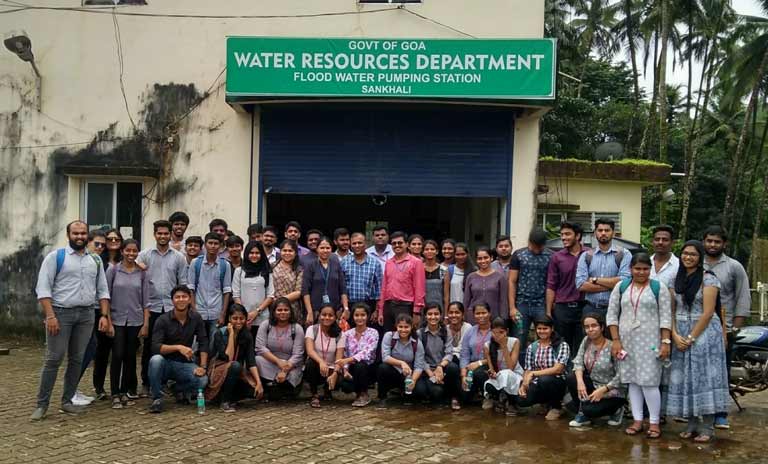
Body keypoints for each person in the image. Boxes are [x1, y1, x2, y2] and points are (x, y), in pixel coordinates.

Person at [31, 220, 111, 421]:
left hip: (86, 315)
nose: (80, 237)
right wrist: (50, 316)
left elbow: (102, 290)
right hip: (60, 314)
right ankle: (42, 405)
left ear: (87, 236)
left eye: (83, 233)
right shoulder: (55, 257)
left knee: (77, 359)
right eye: (75, 233)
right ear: (68, 235)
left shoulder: (95, 260)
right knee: (53, 359)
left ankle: (67, 401)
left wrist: (104, 316)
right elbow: (43, 289)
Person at [667, 240, 729, 442]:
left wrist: (692, 337)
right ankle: (691, 423)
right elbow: (671, 311)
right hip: (680, 332)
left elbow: (709, 312)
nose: (688, 257)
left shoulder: (708, 279)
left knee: (704, 378)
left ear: (700, 257)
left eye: (693, 254)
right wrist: (675, 335)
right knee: (686, 379)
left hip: (704, 334)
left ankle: (708, 427)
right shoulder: (675, 279)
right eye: (685, 253)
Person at [607, 253, 672, 439]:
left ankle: (653, 422)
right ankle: (637, 420)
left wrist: (665, 342)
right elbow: (612, 315)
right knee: (633, 382)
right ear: (631, 269)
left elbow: (666, 317)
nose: (641, 272)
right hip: (627, 342)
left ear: (650, 269)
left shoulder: (659, 288)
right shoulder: (621, 286)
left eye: (645, 269)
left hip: (651, 343)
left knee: (650, 382)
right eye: (637, 268)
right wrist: (616, 340)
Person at [702, 225, 751, 430]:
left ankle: (721, 414)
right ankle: (699, 411)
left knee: (721, 371)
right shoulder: (696, 263)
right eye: (709, 241)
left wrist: (735, 328)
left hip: (724, 328)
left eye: (717, 241)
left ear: (724, 244)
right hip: (698, 327)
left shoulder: (734, 266)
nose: (712, 245)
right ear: (704, 241)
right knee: (699, 371)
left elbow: (742, 297)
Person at [136, 220, 188, 397]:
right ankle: (147, 382)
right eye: (160, 233)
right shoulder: (144, 255)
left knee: (170, 346)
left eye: (166, 233)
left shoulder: (178, 257)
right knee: (150, 346)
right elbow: (133, 272)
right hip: (151, 307)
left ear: (170, 234)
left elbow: (183, 283)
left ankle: (165, 382)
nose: (163, 236)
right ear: (155, 234)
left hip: (172, 308)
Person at [147, 285, 208, 413]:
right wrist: (178, 347)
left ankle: (176, 388)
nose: (181, 300)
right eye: (177, 297)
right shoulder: (162, 320)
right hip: (165, 363)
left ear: (190, 299)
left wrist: (203, 366)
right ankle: (157, 398)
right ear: (172, 300)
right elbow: (155, 347)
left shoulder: (196, 318)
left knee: (203, 381)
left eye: (184, 297)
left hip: (185, 364)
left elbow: (203, 342)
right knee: (155, 360)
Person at [106, 238, 150, 409]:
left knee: (130, 357)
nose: (131, 254)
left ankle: (124, 391)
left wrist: (146, 324)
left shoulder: (142, 273)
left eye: (134, 251)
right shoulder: (113, 271)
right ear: (122, 251)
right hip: (116, 320)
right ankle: (115, 393)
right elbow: (106, 297)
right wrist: (108, 320)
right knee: (117, 355)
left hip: (136, 320)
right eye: (128, 250)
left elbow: (146, 301)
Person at [567, 313, 625, 428]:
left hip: (612, 390)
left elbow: (621, 375)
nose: (590, 329)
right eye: (587, 327)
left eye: (594, 326)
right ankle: (584, 413)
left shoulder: (613, 347)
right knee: (571, 380)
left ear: (602, 327)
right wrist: (580, 382)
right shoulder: (586, 341)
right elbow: (578, 361)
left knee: (589, 409)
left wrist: (604, 389)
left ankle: (617, 410)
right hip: (593, 385)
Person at [73, 229, 109, 405]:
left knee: (90, 348)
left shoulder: (96, 260)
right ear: (87, 242)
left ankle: (72, 388)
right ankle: (70, 391)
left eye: (103, 245)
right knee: (82, 350)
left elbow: (102, 289)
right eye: (97, 244)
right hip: (78, 311)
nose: (101, 247)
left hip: (94, 310)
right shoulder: (76, 259)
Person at [207, 304, 264, 412]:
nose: (238, 321)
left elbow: (251, 361)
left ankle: (228, 397)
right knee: (235, 365)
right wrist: (232, 334)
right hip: (220, 371)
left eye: (241, 318)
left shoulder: (247, 335)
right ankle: (225, 401)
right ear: (229, 318)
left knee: (254, 391)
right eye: (235, 318)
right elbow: (228, 357)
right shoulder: (220, 333)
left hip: (236, 374)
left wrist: (258, 382)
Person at [547, 221, 588, 359]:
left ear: (577, 236)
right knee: (563, 346)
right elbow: (551, 285)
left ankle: (581, 377)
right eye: (562, 234)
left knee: (583, 345)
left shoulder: (590, 254)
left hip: (585, 307)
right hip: (562, 308)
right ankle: (564, 377)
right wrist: (548, 311)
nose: (563, 238)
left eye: (567, 234)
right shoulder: (557, 257)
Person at [576, 218, 631, 319]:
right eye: (600, 230)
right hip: (590, 308)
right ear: (595, 233)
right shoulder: (586, 256)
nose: (603, 233)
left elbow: (625, 282)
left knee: (614, 335)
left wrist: (595, 280)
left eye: (607, 230)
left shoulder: (624, 254)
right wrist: (612, 285)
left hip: (616, 309)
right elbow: (580, 285)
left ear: (613, 233)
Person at [517, 316, 569, 420]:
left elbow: (558, 369)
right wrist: (524, 384)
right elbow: (528, 369)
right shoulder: (532, 347)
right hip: (539, 382)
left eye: (545, 328)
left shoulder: (562, 345)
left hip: (558, 382)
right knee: (521, 400)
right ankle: (545, 403)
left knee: (545, 380)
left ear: (552, 329)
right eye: (539, 329)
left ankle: (557, 407)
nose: (542, 331)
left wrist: (534, 373)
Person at [508, 229, 552, 353]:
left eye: (540, 246)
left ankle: (541, 369)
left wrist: (548, 310)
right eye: (534, 246)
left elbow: (551, 284)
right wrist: (512, 307)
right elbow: (512, 281)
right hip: (521, 305)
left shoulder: (551, 256)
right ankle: (518, 370)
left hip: (541, 305)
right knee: (518, 339)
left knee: (545, 339)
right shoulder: (518, 255)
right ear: (529, 242)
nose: (536, 249)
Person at [254, 298, 305, 396]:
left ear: (291, 312)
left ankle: (278, 386)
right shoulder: (265, 325)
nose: (283, 312)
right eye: (279, 310)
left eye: (286, 310)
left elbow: (298, 354)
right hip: (272, 362)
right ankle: (274, 385)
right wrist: (278, 362)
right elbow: (260, 348)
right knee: (257, 360)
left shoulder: (297, 328)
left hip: (290, 365)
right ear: (274, 312)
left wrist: (285, 370)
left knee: (291, 378)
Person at [377, 231, 426, 331]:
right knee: (389, 337)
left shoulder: (416, 262)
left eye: (400, 243)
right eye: (394, 243)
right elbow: (384, 287)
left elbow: (419, 289)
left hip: (405, 306)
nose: (397, 245)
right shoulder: (389, 262)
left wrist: (416, 312)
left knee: (405, 338)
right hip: (388, 306)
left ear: (407, 244)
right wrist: (381, 310)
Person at [187, 232, 233, 337]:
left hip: (216, 311)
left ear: (220, 246)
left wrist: (223, 314)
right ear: (205, 245)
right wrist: (193, 310)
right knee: (197, 342)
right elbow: (191, 289)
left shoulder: (225, 265)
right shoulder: (195, 263)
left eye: (216, 243)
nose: (213, 246)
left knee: (214, 343)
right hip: (199, 311)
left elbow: (226, 291)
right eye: (210, 243)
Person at [418, 303, 461, 410]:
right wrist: (431, 374)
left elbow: (449, 353)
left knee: (453, 368)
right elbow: (420, 357)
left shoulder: (446, 332)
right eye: (430, 314)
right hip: (427, 370)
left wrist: (440, 367)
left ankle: (454, 397)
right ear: (425, 316)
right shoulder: (420, 333)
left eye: (436, 314)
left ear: (441, 315)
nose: (433, 317)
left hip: (442, 367)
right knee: (430, 392)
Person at [377, 314, 427, 404]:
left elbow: (419, 365)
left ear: (411, 327)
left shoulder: (416, 342)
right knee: (382, 368)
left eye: (406, 327)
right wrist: (402, 363)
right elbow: (385, 357)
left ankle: (404, 392)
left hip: (409, 375)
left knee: (421, 391)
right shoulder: (389, 336)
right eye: (400, 326)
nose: (403, 330)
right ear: (396, 326)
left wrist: (413, 380)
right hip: (394, 371)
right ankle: (382, 396)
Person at [337, 302, 379, 407]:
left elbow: (367, 352)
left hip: (368, 368)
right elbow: (345, 354)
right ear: (353, 316)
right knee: (345, 384)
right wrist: (345, 370)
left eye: (363, 315)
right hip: (352, 368)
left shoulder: (373, 332)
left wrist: (347, 360)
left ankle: (364, 393)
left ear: (367, 316)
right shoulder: (347, 334)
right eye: (357, 315)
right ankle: (358, 393)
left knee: (360, 365)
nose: (359, 318)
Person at [304, 305, 346, 408]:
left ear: (335, 317)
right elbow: (310, 351)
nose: (327, 318)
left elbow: (339, 359)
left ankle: (328, 391)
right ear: (319, 316)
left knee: (340, 378)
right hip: (317, 366)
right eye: (324, 315)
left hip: (331, 368)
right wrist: (321, 362)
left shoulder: (340, 334)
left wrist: (335, 373)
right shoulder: (312, 329)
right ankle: (314, 394)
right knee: (310, 363)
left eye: (330, 315)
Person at [302, 236, 349, 326]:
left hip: (335, 310)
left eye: (327, 248)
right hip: (315, 310)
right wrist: (310, 312)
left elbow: (343, 289)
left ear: (331, 249)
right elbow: (305, 291)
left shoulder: (336, 265)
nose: (325, 250)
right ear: (317, 249)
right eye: (322, 248)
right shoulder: (310, 266)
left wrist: (346, 308)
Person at [482, 317, 524, 415]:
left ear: (506, 331)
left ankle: (511, 403)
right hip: (498, 376)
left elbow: (511, 367)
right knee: (488, 385)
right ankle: (498, 400)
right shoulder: (487, 346)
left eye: (501, 332)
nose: (497, 335)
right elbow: (491, 368)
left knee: (507, 374)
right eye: (494, 332)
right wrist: (492, 374)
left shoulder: (514, 342)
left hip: (514, 375)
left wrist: (504, 345)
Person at [340, 232, 382, 323]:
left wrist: (377, 310)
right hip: (349, 305)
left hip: (369, 305)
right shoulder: (344, 262)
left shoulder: (375, 263)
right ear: (350, 245)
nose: (357, 245)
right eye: (354, 243)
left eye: (360, 243)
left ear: (365, 244)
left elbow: (379, 289)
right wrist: (344, 308)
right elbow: (340, 287)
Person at [233, 241, 275, 328]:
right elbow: (236, 294)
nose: (254, 255)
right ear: (246, 254)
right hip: (243, 318)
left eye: (257, 253)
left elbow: (270, 295)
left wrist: (257, 311)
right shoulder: (239, 271)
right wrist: (244, 314)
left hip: (263, 318)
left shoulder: (266, 271)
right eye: (251, 253)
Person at [459, 303, 493, 407]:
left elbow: (499, 356)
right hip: (470, 368)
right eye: (478, 313)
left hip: (490, 366)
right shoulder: (470, 331)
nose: (481, 316)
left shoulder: (495, 331)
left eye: (484, 313)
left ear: (489, 313)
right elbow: (464, 354)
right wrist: (463, 375)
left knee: (479, 373)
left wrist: (479, 363)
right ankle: (475, 395)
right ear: (473, 315)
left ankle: (489, 397)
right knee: (464, 398)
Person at [464, 246, 508, 323]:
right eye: (480, 258)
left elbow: (503, 300)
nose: (483, 261)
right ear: (476, 260)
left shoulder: (500, 277)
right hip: (473, 317)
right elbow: (466, 300)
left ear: (491, 258)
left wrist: (503, 319)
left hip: (494, 317)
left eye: (485, 257)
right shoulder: (471, 277)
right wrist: (464, 316)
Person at [272, 240, 304, 323]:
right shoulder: (272, 266)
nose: (287, 253)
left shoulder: (299, 269)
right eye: (284, 250)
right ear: (280, 251)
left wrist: (280, 301)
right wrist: (274, 302)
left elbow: (298, 292)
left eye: (290, 251)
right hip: (273, 306)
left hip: (292, 307)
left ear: (295, 253)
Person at [443, 242, 474, 313]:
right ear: (454, 255)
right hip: (453, 311)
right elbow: (446, 296)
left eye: (463, 254)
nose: (460, 257)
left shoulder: (473, 270)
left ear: (467, 254)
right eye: (457, 254)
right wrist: (446, 314)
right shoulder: (450, 270)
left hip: (469, 310)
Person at [650, 225, 679, 289]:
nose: (660, 242)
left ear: (672, 243)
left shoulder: (679, 266)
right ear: (652, 242)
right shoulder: (646, 263)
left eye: (665, 240)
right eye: (657, 239)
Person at [422, 240, 444, 310]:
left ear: (437, 251)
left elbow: (446, 296)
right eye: (426, 249)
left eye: (432, 249)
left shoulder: (443, 270)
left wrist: (446, 314)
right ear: (423, 252)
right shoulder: (418, 269)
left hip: (439, 308)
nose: (429, 251)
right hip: (422, 307)